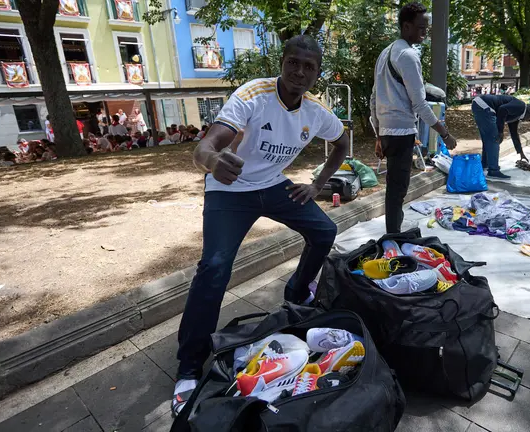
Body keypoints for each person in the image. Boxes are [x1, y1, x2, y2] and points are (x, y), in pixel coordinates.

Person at [171, 34, 350, 416]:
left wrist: (317, 184)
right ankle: (188, 366)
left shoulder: (316, 110)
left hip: (273, 185)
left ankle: (297, 291)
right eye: (293, 63)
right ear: (282, 62)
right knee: (215, 267)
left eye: (309, 66)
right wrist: (212, 160)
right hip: (228, 190)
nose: (299, 72)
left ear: (317, 73)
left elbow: (342, 144)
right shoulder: (254, 95)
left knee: (324, 231)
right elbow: (204, 147)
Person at [370, 2, 458, 234]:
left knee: (394, 188)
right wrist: (444, 133)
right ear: (406, 26)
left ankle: (393, 230)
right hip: (401, 133)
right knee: (397, 190)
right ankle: (393, 236)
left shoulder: (386, 52)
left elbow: (374, 97)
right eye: (421, 28)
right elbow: (419, 104)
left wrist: (379, 134)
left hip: (388, 132)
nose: (424, 32)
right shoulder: (408, 55)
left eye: (426, 28)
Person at [471, 94, 530, 180]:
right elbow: (502, 109)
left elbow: (514, 133)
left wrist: (520, 152)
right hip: (485, 106)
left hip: (480, 104)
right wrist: (500, 131)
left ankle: (485, 165)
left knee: (488, 139)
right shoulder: (520, 106)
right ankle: (493, 171)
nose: (528, 120)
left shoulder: (517, 113)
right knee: (495, 139)